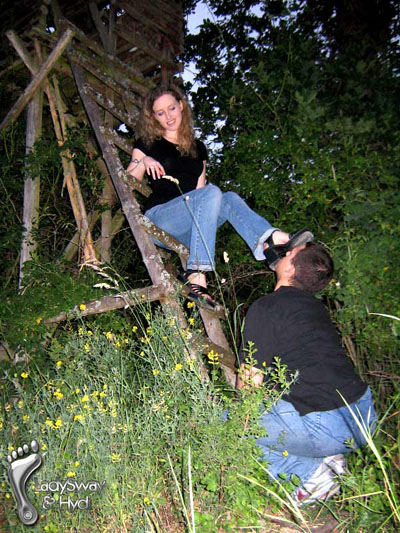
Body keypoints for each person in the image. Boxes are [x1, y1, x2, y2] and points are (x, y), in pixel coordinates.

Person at [127, 83, 312, 308]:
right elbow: (129, 181)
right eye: (160, 113)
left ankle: (268, 238)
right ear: (154, 117)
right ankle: (196, 274)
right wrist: (143, 160)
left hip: (190, 225)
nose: (168, 116)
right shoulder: (148, 143)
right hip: (160, 218)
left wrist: (206, 211)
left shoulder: (198, 148)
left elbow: (201, 192)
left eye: (171, 108)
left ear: (181, 106)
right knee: (213, 192)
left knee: (229, 198)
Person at [237, 242, 377, 505]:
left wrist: (240, 420)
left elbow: (249, 384)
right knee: (283, 400)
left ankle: (310, 476)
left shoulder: (267, 307)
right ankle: (328, 456)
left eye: (288, 253)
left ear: (289, 267)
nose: (283, 254)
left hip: (327, 424)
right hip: (365, 417)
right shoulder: (317, 310)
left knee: (232, 424)